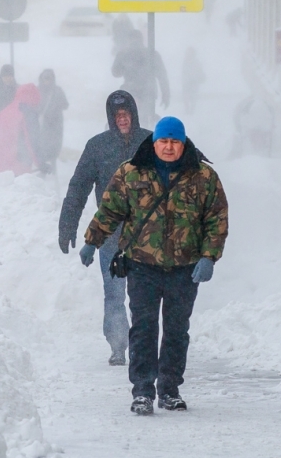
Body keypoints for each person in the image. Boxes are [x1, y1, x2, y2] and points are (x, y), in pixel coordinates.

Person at [80, 117, 228, 415]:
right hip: (142, 265)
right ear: (155, 142)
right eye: (164, 141)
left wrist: (208, 256)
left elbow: (216, 219)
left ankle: (170, 390)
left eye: (175, 141)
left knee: (176, 330)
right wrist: (92, 241)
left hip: (184, 268)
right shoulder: (131, 172)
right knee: (144, 328)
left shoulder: (203, 176)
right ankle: (143, 391)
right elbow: (110, 210)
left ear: (183, 143)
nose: (169, 147)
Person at [58, 90, 151, 365]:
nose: (122, 119)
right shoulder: (97, 147)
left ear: (134, 115)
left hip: (146, 236)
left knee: (142, 296)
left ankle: (140, 347)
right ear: (111, 118)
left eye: (126, 114)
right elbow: (79, 187)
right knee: (114, 293)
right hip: (111, 235)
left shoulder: (150, 143)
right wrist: (67, 225)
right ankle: (118, 345)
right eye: (117, 115)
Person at [112, 29, 169, 123]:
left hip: (130, 90)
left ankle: (132, 134)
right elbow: (162, 75)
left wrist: (122, 65)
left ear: (128, 41)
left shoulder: (123, 54)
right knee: (145, 117)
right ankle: (146, 129)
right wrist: (166, 94)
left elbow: (115, 73)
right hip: (148, 91)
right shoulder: (152, 53)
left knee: (130, 118)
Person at [0, 83, 40, 175]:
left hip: (0, 167)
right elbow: (32, 140)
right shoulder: (28, 112)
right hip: (19, 166)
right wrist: (41, 164)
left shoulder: (6, 110)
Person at [36, 69, 69, 175]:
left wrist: (56, 106)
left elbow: (65, 105)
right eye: (45, 78)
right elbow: (34, 106)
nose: (47, 81)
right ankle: (43, 169)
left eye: (49, 78)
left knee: (54, 147)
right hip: (43, 123)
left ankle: (51, 169)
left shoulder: (57, 91)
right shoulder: (38, 91)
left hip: (55, 124)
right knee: (42, 145)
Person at [181, 48, 205, 114]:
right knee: (187, 97)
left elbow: (200, 72)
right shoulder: (186, 62)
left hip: (193, 82)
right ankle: (188, 110)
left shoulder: (195, 62)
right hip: (188, 82)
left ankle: (190, 111)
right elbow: (184, 72)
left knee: (192, 98)